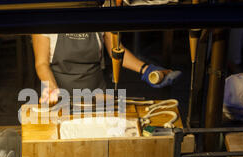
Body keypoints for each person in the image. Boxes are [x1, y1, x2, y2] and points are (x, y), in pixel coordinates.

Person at [32, 32, 182, 105]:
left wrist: (146, 69)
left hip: (97, 96)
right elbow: (41, 63)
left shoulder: (100, 9)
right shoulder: (49, 14)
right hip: (60, 99)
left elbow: (115, 51)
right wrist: (51, 87)